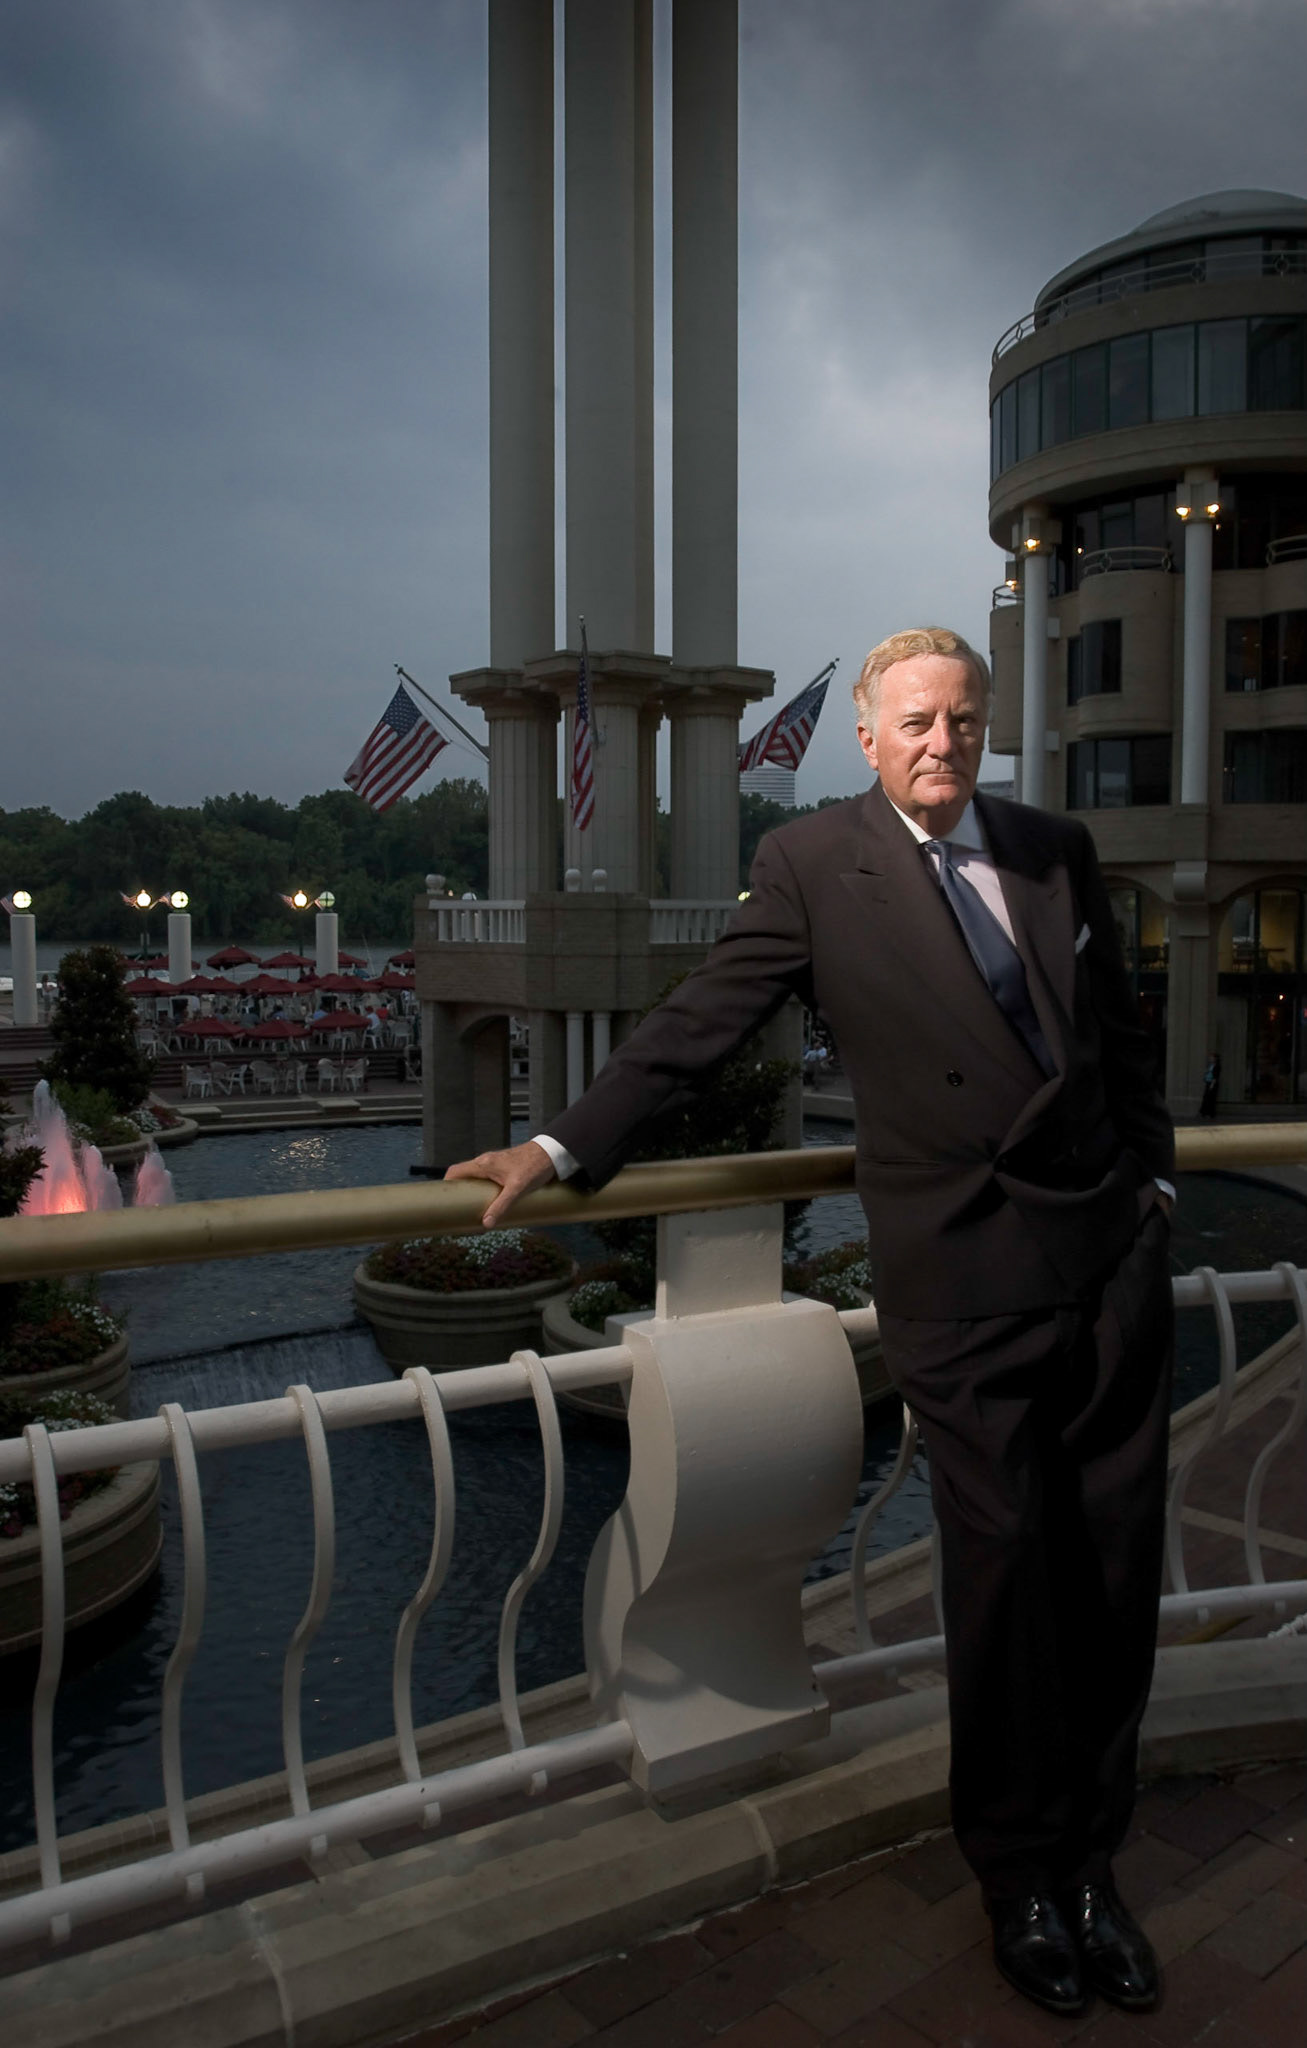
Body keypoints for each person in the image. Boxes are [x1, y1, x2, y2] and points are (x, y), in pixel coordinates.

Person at [445, 627, 1174, 2020]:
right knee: (1005, 1581)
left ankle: (1093, 1866)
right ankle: (1018, 1878)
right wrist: (556, 1142)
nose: (942, 743)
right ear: (866, 733)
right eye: (916, 721)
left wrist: (1154, 1184)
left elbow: (1119, 1031)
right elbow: (702, 1020)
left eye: (963, 719)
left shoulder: (1052, 848)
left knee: (1110, 1575)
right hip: (962, 1278)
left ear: (984, 725)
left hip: (1105, 1262)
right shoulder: (809, 864)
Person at [1200, 1050, 1221, 1118]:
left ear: (1215, 1058)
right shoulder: (1210, 1065)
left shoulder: (1217, 1066)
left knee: (1211, 1099)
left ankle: (1211, 1113)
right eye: (1210, 1057)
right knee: (1206, 1098)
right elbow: (1208, 1073)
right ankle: (1204, 1112)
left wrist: (1212, 1085)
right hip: (1208, 1082)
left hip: (1212, 1083)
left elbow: (1216, 1076)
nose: (1210, 1059)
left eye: (1212, 1057)